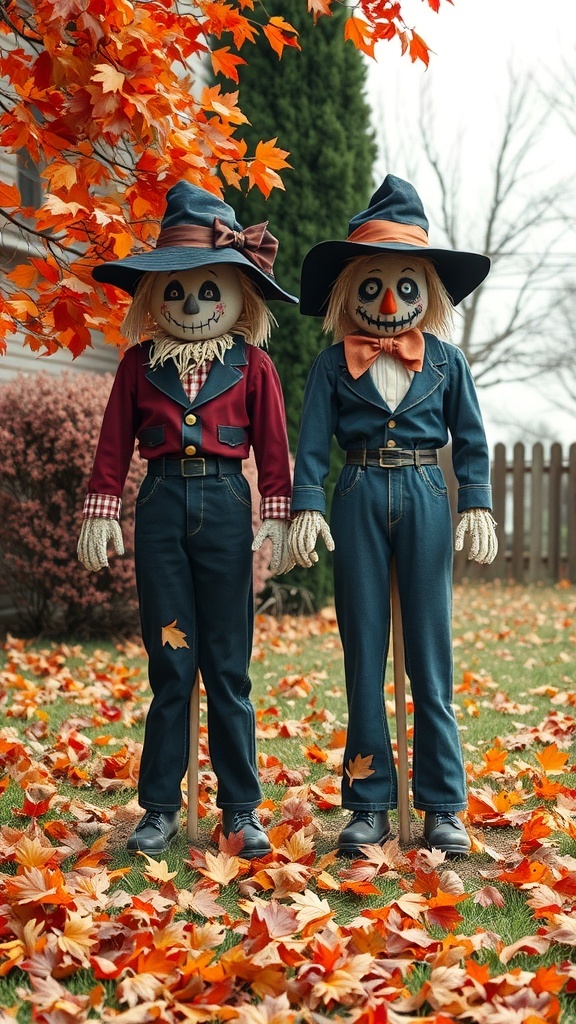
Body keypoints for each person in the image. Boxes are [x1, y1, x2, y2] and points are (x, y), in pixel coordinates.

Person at [78, 181, 296, 858]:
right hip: (164, 508)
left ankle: (241, 808)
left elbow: (275, 447)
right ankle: (160, 807)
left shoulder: (252, 366)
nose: (193, 303)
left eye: (208, 290)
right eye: (175, 291)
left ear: (238, 295)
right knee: (171, 666)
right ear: (153, 298)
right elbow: (113, 444)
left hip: (228, 508)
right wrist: (103, 506)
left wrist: (280, 513)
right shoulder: (138, 367)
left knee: (229, 667)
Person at [289, 175, 497, 857]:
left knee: (431, 660)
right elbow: (312, 442)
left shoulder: (448, 363)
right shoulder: (329, 366)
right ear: (352, 289)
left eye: (406, 285)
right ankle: (369, 803)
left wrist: (477, 502)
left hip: (424, 496)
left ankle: (442, 805)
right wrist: (308, 505)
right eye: (375, 284)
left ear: (427, 290)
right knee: (363, 654)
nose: (389, 299)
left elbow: (470, 440)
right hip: (356, 495)